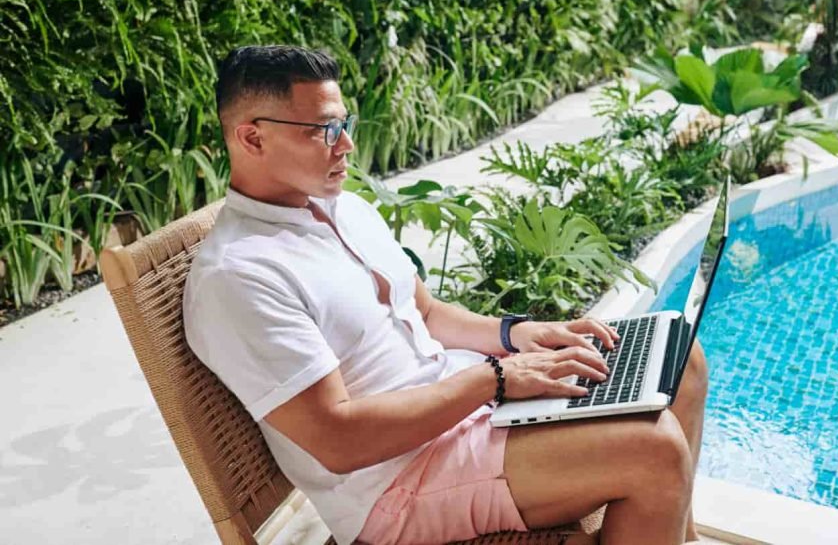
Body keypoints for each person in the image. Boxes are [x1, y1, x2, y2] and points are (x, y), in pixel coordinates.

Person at [183, 46, 709, 545]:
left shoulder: (342, 208)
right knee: (652, 449)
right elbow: (338, 442)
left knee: (679, 359)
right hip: (392, 483)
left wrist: (515, 335)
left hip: (463, 412)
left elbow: (427, 312)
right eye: (324, 130)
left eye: (345, 125)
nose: (345, 145)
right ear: (252, 139)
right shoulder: (240, 275)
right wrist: (496, 378)